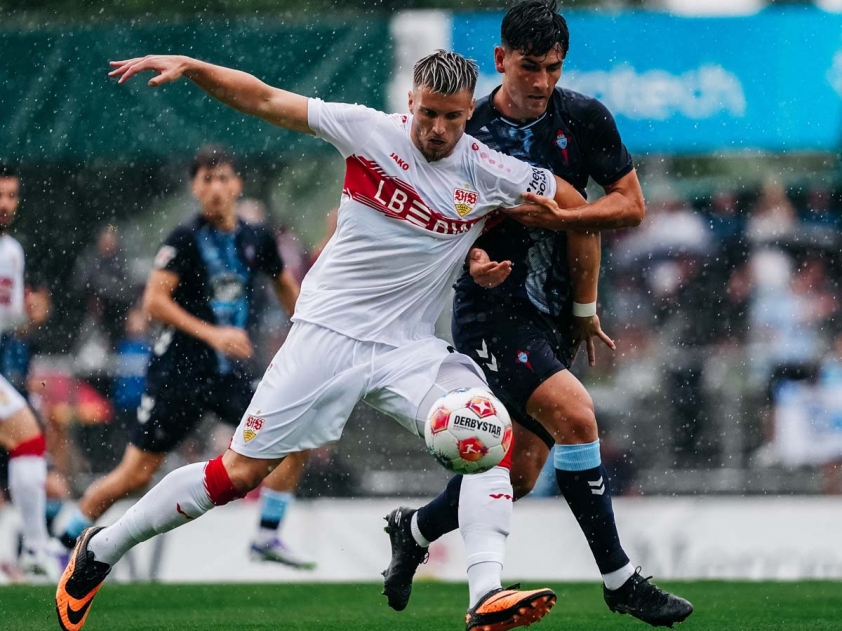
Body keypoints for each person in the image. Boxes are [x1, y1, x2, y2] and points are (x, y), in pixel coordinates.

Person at [55, 49, 604, 631]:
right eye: (428, 114)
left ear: (470, 112)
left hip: (407, 348)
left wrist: (545, 276)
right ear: (410, 102)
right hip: (325, 337)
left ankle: (486, 593)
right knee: (237, 474)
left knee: (486, 430)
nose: (438, 129)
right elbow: (265, 97)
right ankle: (101, 549)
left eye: (452, 117)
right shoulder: (367, 131)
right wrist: (194, 68)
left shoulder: (490, 170)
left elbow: (581, 207)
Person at [381, 2, 694, 627]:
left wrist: (581, 294)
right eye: (530, 67)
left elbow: (630, 206)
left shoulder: (584, 118)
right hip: (490, 310)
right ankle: (620, 579)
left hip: (555, 316)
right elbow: (439, 220)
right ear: (501, 60)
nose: (542, 81)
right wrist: (472, 260)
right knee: (577, 415)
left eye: (553, 68)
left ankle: (413, 529)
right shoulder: (467, 128)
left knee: (518, 473)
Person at [56, 146, 313, 571]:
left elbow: (288, 290)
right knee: (135, 474)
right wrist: (214, 334)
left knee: (297, 433)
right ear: (195, 187)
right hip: (179, 375)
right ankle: (64, 542)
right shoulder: (184, 239)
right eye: (206, 180)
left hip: (229, 375)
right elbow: (154, 302)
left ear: (237, 184)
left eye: (223, 178)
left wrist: (312, 335)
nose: (216, 189)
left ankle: (266, 535)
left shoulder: (257, 237)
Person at [0, 162, 60, 581]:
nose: (5, 204)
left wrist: (30, 315)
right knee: (27, 437)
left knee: (28, 440)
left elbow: (10, 322)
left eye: (12, 195)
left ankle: (34, 549)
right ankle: (37, 547)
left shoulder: (11, 252)